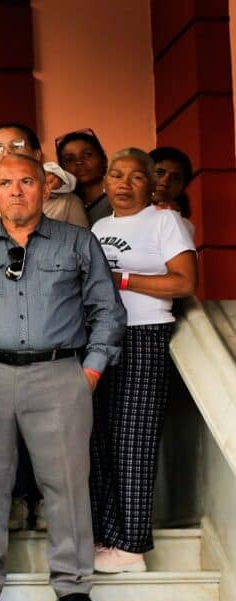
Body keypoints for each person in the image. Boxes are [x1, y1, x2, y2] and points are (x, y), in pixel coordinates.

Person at [0, 153, 125, 601]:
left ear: (45, 188)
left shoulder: (77, 242)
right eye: (5, 182)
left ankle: (72, 588)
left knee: (66, 483)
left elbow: (106, 310)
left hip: (59, 374)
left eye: (27, 181)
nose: (16, 191)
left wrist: (89, 369)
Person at [90, 148, 197, 574]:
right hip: (101, 337)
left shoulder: (164, 220)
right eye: (116, 175)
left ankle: (132, 546)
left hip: (145, 334)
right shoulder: (98, 226)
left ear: (151, 183)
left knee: (134, 441)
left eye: (136, 176)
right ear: (105, 183)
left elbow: (186, 280)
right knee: (101, 442)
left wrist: (125, 279)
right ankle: (108, 537)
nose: (123, 183)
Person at [0, 123, 88, 239]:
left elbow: (82, 252)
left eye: (17, 146)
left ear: (37, 155)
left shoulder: (67, 203)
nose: (7, 153)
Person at [56, 129, 112, 223]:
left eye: (88, 155)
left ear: (103, 159)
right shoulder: (64, 204)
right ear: (61, 168)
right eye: (69, 159)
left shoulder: (119, 196)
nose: (79, 162)